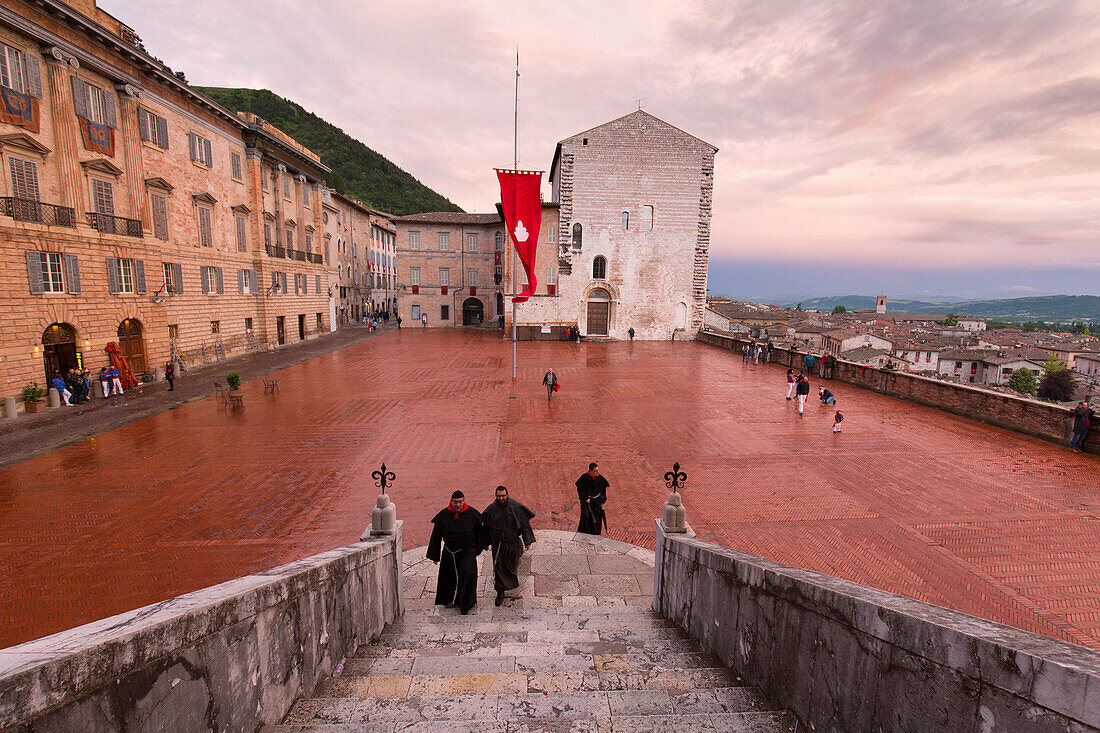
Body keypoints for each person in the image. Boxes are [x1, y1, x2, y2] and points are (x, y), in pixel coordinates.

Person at [427, 491, 484, 614]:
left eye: (460, 502)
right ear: (451, 502)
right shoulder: (443, 515)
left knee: (468, 576)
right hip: (450, 552)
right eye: (455, 502)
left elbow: (480, 533)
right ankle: (448, 600)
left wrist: (478, 548)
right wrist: (435, 555)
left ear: (464, 501)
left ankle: (465, 604)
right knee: (448, 577)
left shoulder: (473, 514)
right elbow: (436, 536)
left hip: (467, 551)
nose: (458, 505)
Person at [481, 486, 536, 606]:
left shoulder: (516, 507)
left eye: (503, 496)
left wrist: (528, 540)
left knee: (513, 564)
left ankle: (510, 582)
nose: (501, 498)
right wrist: (485, 542)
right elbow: (486, 528)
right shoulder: (491, 509)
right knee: (499, 568)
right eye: (498, 496)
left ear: (507, 495)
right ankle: (500, 592)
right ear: (495, 496)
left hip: (512, 542)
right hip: (498, 544)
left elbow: (524, 524)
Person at [576, 462, 609, 535]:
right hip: (586, 500)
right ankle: (585, 532)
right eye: (595, 471)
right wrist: (585, 498)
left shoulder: (600, 478)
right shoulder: (584, 478)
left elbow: (603, 490)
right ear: (590, 471)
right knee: (586, 515)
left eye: (598, 470)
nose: (598, 472)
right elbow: (580, 489)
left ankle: (595, 533)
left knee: (597, 517)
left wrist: (603, 499)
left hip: (597, 500)